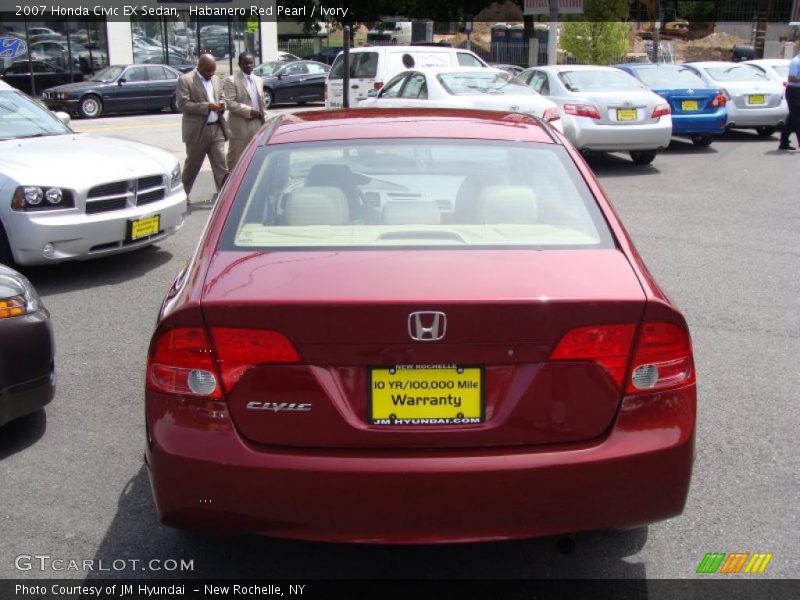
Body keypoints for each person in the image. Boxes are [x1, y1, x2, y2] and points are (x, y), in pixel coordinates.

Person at [176, 53, 229, 202]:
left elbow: (221, 96)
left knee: (221, 165)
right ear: (199, 67)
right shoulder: (186, 80)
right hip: (197, 132)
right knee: (192, 166)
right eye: (207, 71)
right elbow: (183, 105)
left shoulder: (216, 79)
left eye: (213, 71)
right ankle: (182, 196)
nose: (210, 74)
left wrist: (222, 104)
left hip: (216, 129)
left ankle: (224, 197)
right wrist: (207, 106)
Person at [223, 52, 267, 169]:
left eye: (250, 63)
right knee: (236, 157)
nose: (248, 65)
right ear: (239, 64)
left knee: (256, 156)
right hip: (240, 125)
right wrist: (250, 111)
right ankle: (232, 183)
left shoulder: (259, 80)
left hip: (258, 124)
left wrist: (265, 118)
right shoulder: (231, 80)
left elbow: (261, 102)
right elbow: (230, 103)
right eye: (245, 63)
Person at [778, 48, 800, 151]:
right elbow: (791, 78)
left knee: (792, 118)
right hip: (794, 91)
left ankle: (784, 142)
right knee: (797, 118)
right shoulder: (796, 62)